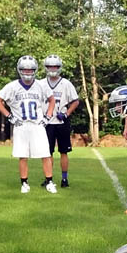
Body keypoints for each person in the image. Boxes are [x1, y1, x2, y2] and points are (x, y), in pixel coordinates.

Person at [0, 55, 57, 194]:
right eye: (25, 70)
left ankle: (49, 181)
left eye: (30, 70)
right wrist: (9, 116)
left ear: (35, 70)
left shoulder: (40, 85)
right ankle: (24, 183)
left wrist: (48, 116)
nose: (27, 72)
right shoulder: (12, 86)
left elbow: (52, 100)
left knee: (45, 154)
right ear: (19, 70)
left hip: (37, 125)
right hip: (21, 125)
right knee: (23, 155)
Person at [41, 55, 80, 187]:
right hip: (47, 123)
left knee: (63, 151)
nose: (53, 69)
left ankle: (64, 179)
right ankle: (49, 178)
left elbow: (75, 101)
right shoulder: (40, 83)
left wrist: (66, 113)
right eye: (50, 66)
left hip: (62, 122)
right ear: (46, 68)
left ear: (59, 67)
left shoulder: (66, 84)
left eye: (55, 66)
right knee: (47, 152)